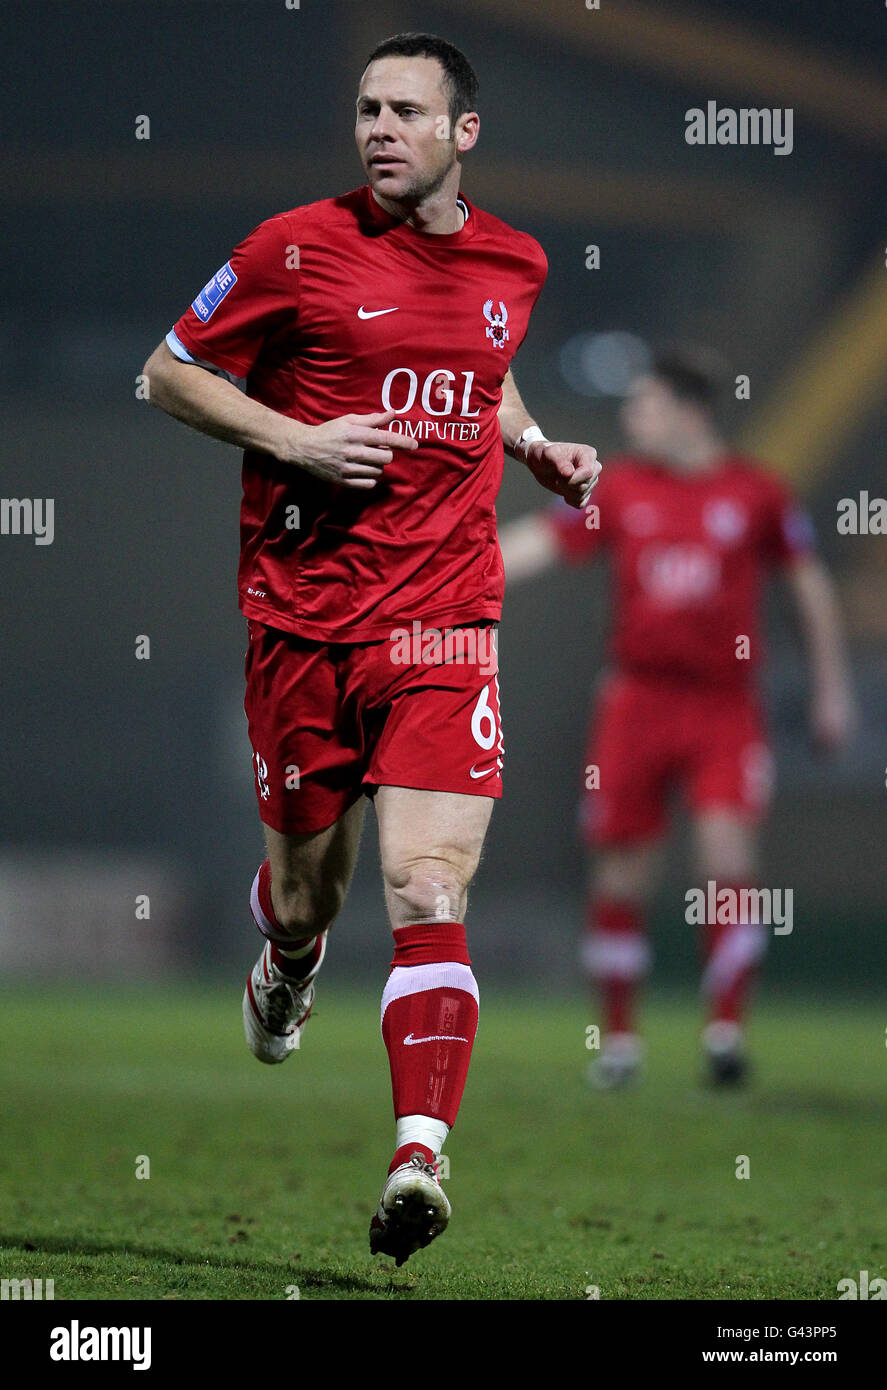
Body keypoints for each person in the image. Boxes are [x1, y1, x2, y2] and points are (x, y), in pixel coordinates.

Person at [142, 31, 600, 1265]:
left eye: (405, 109)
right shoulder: (288, 248)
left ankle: (417, 1154)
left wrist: (534, 445)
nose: (379, 127)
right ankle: (287, 964)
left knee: (426, 884)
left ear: (465, 133)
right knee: (307, 896)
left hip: (447, 618)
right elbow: (167, 375)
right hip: (300, 623)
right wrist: (293, 440)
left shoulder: (518, 258)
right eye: (366, 108)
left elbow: (480, 366)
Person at [499, 345, 855, 1087]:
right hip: (635, 700)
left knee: (726, 857)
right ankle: (621, 1043)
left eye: (643, 404)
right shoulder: (622, 489)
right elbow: (541, 543)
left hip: (724, 705)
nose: (631, 418)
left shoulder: (754, 492)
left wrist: (831, 688)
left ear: (686, 412)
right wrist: (454, 571)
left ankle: (725, 1033)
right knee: (621, 872)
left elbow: (808, 584)